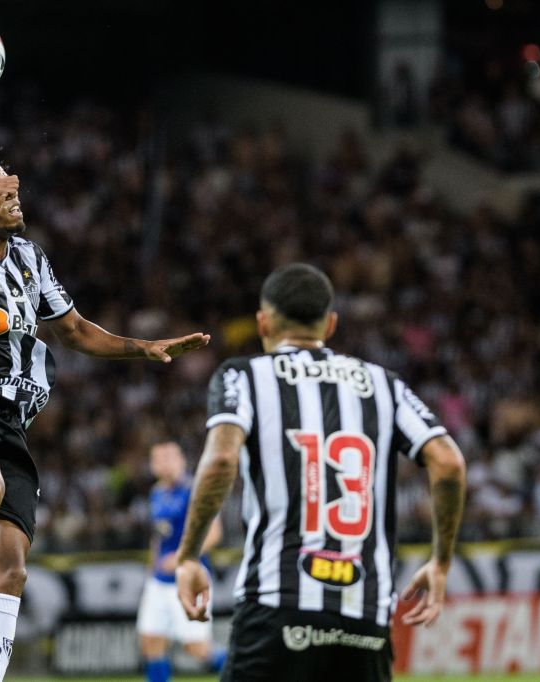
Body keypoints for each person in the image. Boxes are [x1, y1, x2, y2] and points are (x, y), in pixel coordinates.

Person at [0, 138, 211, 682]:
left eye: (9, 178)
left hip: (10, 425)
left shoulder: (30, 258)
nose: (12, 189)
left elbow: (74, 331)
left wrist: (143, 347)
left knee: (10, 569)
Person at [174, 263, 467, 682]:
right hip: (365, 614)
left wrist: (188, 556)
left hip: (277, 602)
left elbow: (221, 459)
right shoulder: (384, 384)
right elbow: (449, 462)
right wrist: (439, 562)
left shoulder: (244, 375)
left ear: (262, 322)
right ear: (330, 324)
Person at [138, 441, 223, 681]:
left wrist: (179, 557)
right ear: (152, 465)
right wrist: (151, 565)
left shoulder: (195, 489)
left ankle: (245, 669)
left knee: (197, 649)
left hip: (188, 577)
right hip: (158, 581)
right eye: (159, 459)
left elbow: (214, 532)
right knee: (150, 642)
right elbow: (158, 536)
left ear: (182, 461)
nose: (165, 463)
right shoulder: (156, 493)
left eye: (170, 457)